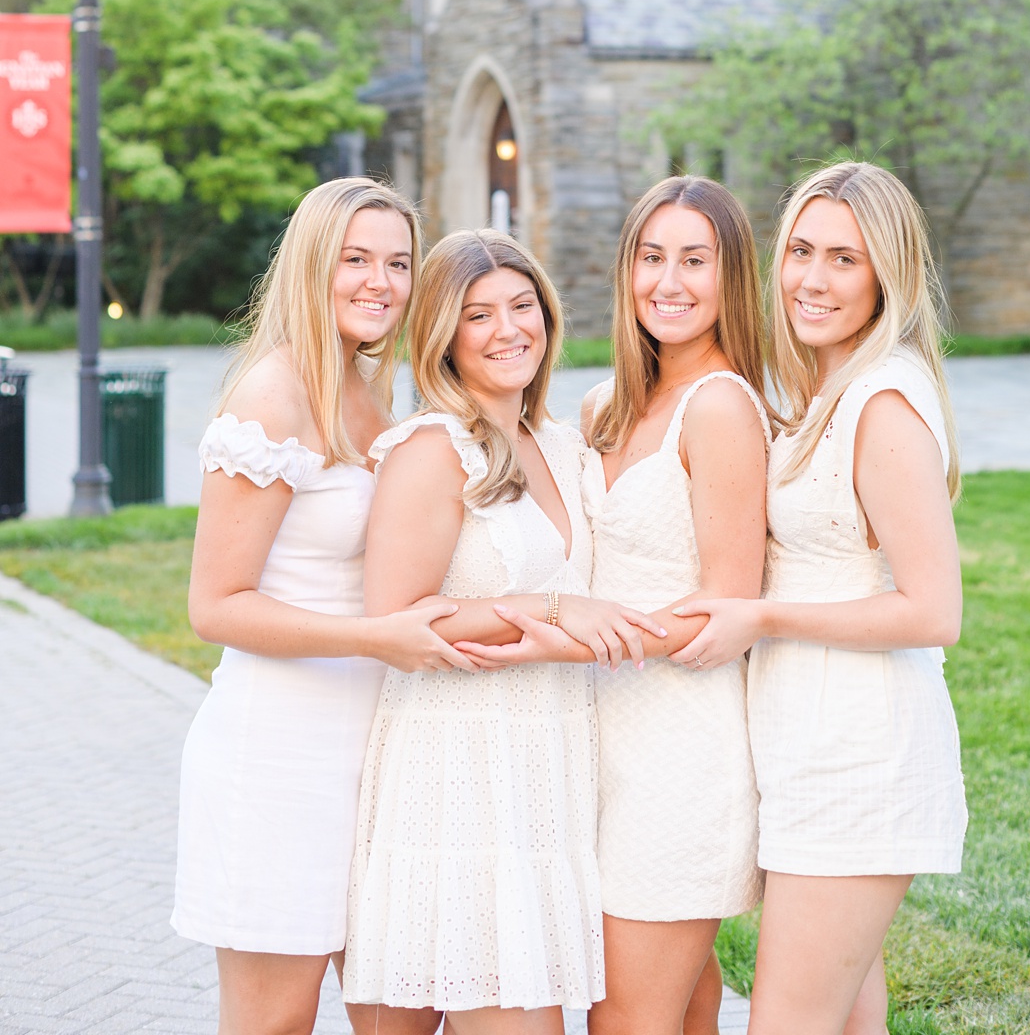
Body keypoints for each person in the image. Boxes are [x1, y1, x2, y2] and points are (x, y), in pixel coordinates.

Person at [674, 160, 968, 1035]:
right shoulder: (827, 392)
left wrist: (761, 616)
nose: (811, 277)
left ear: (888, 274)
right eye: (801, 250)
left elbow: (933, 610)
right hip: (808, 746)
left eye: (845, 258)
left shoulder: (882, 402)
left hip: (860, 758)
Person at [343, 229, 660, 1029]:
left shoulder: (560, 441)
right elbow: (395, 619)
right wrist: (556, 609)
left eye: (523, 306)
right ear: (443, 335)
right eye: (478, 315)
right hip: (453, 776)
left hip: (545, 774)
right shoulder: (431, 448)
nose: (508, 328)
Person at [177, 177, 449, 1035]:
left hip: (375, 758)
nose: (381, 281)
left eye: (398, 262)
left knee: (402, 1011)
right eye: (356, 259)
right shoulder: (274, 395)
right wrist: (376, 637)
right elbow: (215, 605)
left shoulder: (377, 391)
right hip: (279, 761)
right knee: (274, 1022)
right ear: (311, 267)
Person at [576, 178, 774, 1035]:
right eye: (651, 258)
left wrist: (563, 641)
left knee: (624, 1016)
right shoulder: (603, 405)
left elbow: (726, 608)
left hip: (680, 752)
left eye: (696, 260)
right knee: (681, 1006)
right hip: (596, 738)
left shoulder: (721, 405)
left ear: (731, 279)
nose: (669, 281)